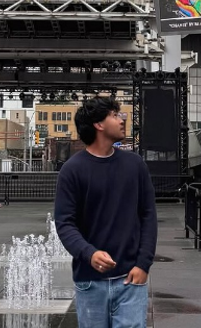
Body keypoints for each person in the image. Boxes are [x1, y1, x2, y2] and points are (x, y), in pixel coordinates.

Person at [55, 97, 157, 328]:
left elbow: (148, 216)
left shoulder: (135, 165)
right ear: (98, 125)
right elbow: (65, 224)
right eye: (114, 115)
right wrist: (89, 253)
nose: (121, 119)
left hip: (131, 280)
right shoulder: (72, 170)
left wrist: (143, 264)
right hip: (90, 282)